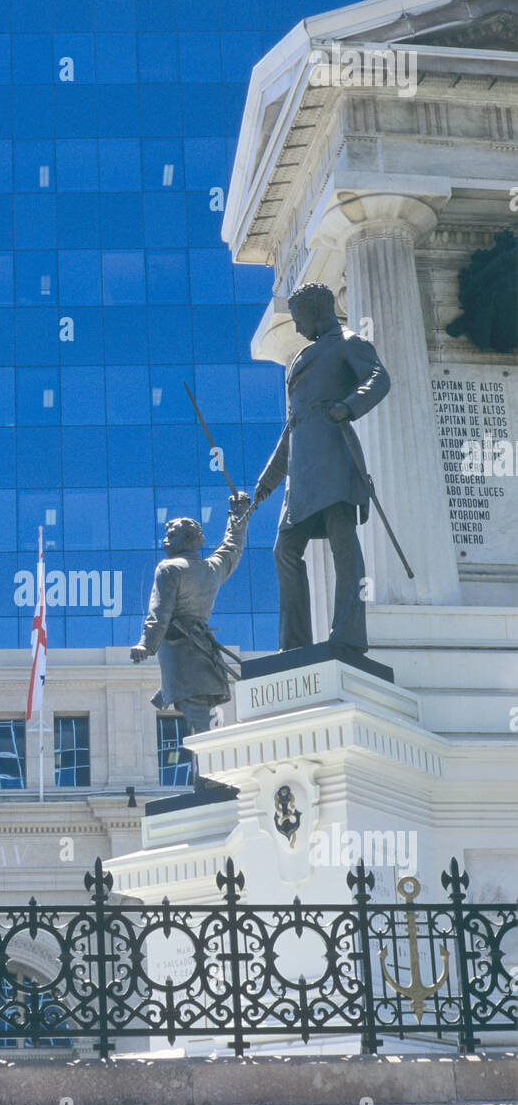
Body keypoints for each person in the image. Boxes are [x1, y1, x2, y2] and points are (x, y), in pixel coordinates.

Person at [253, 282, 390, 656]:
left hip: (333, 457)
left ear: (317, 311)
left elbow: (379, 378)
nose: (297, 328)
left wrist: (348, 405)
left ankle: (347, 634)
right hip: (301, 473)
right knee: (284, 551)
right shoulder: (300, 358)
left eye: (299, 319)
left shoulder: (348, 341)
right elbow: (292, 426)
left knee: (343, 545)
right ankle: (294, 644)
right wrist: (268, 480)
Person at [131, 494, 251, 788]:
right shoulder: (211, 569)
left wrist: (146, 644)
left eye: (171, 535)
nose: (165, 541)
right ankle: (207, 777)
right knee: (202, 716)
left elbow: (161, 612)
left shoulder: (169, 569)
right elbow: (232, 547)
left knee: (198, 718)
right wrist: (238, 516)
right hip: (206, 651)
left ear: (187, 539)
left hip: (182, 651)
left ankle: (210, 779)